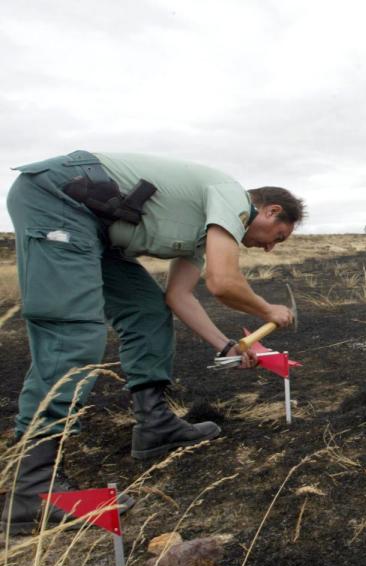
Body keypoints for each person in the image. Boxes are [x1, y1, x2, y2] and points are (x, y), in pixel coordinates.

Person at [2, 150, 303, 535]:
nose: (269, 248)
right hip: (60, 198)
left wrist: (228, 346)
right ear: (270, 210)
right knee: (73, 331)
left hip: (95, 229)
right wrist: (268, 310)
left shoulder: (201, 231)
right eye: (276, 237)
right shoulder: (231, 195)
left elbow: (179, 297)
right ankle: (33, 487)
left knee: (147, 312)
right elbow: (223, 283)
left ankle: (155, 425)